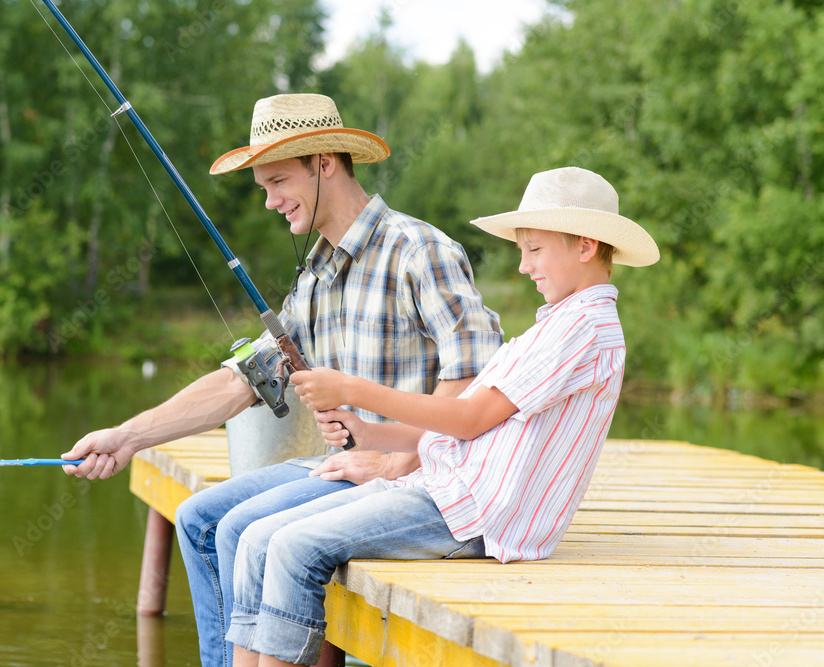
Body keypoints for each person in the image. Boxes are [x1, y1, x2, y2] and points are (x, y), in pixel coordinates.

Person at [61, 93, 503, 667]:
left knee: (241, 527)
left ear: (324, 162)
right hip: (344, 467)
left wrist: (397, 459)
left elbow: (475, 377)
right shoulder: (316, 274)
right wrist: (127, 435)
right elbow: (242, 381)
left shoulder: (418, 250)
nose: (269, 202)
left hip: (412, 479)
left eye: (277, 182)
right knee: (198, 518)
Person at [226, 166, 661, 667]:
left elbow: (470, 417)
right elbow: (471, 422)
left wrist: (354, 388)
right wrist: (371, 432)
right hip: (445, 493)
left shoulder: (585, 327)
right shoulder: (560, 322)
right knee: (258, 539)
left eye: (535, 250)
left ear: (585, 246)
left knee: (291, 548)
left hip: (474, 515)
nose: (523, 267)